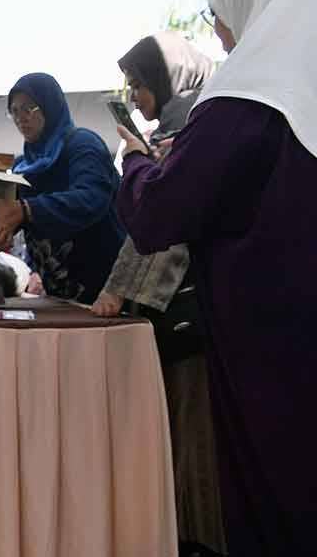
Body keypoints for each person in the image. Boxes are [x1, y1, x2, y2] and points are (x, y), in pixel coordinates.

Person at [115, 0, 317, 556]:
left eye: (222, 15)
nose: (223, 36)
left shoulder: (245, 99)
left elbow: (159, 214)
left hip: (272, 356)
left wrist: (135, 165)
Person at [93, 33, 225, 556]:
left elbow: (164, 231)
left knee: (197, 448)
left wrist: (139, 165)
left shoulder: (203, 131)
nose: (136, 96)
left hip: (198, 321)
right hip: (176, 322)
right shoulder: (174, 135)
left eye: (141, 85)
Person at [0, 72, 125, 304]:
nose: (20, 118)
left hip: (106, 293)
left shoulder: (82, 144)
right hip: (61, 296)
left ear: (50, 105)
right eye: (14, 111)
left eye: (28, 108)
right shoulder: (23, 166)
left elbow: (92, 198)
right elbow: (7, 217)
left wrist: (26, 209)